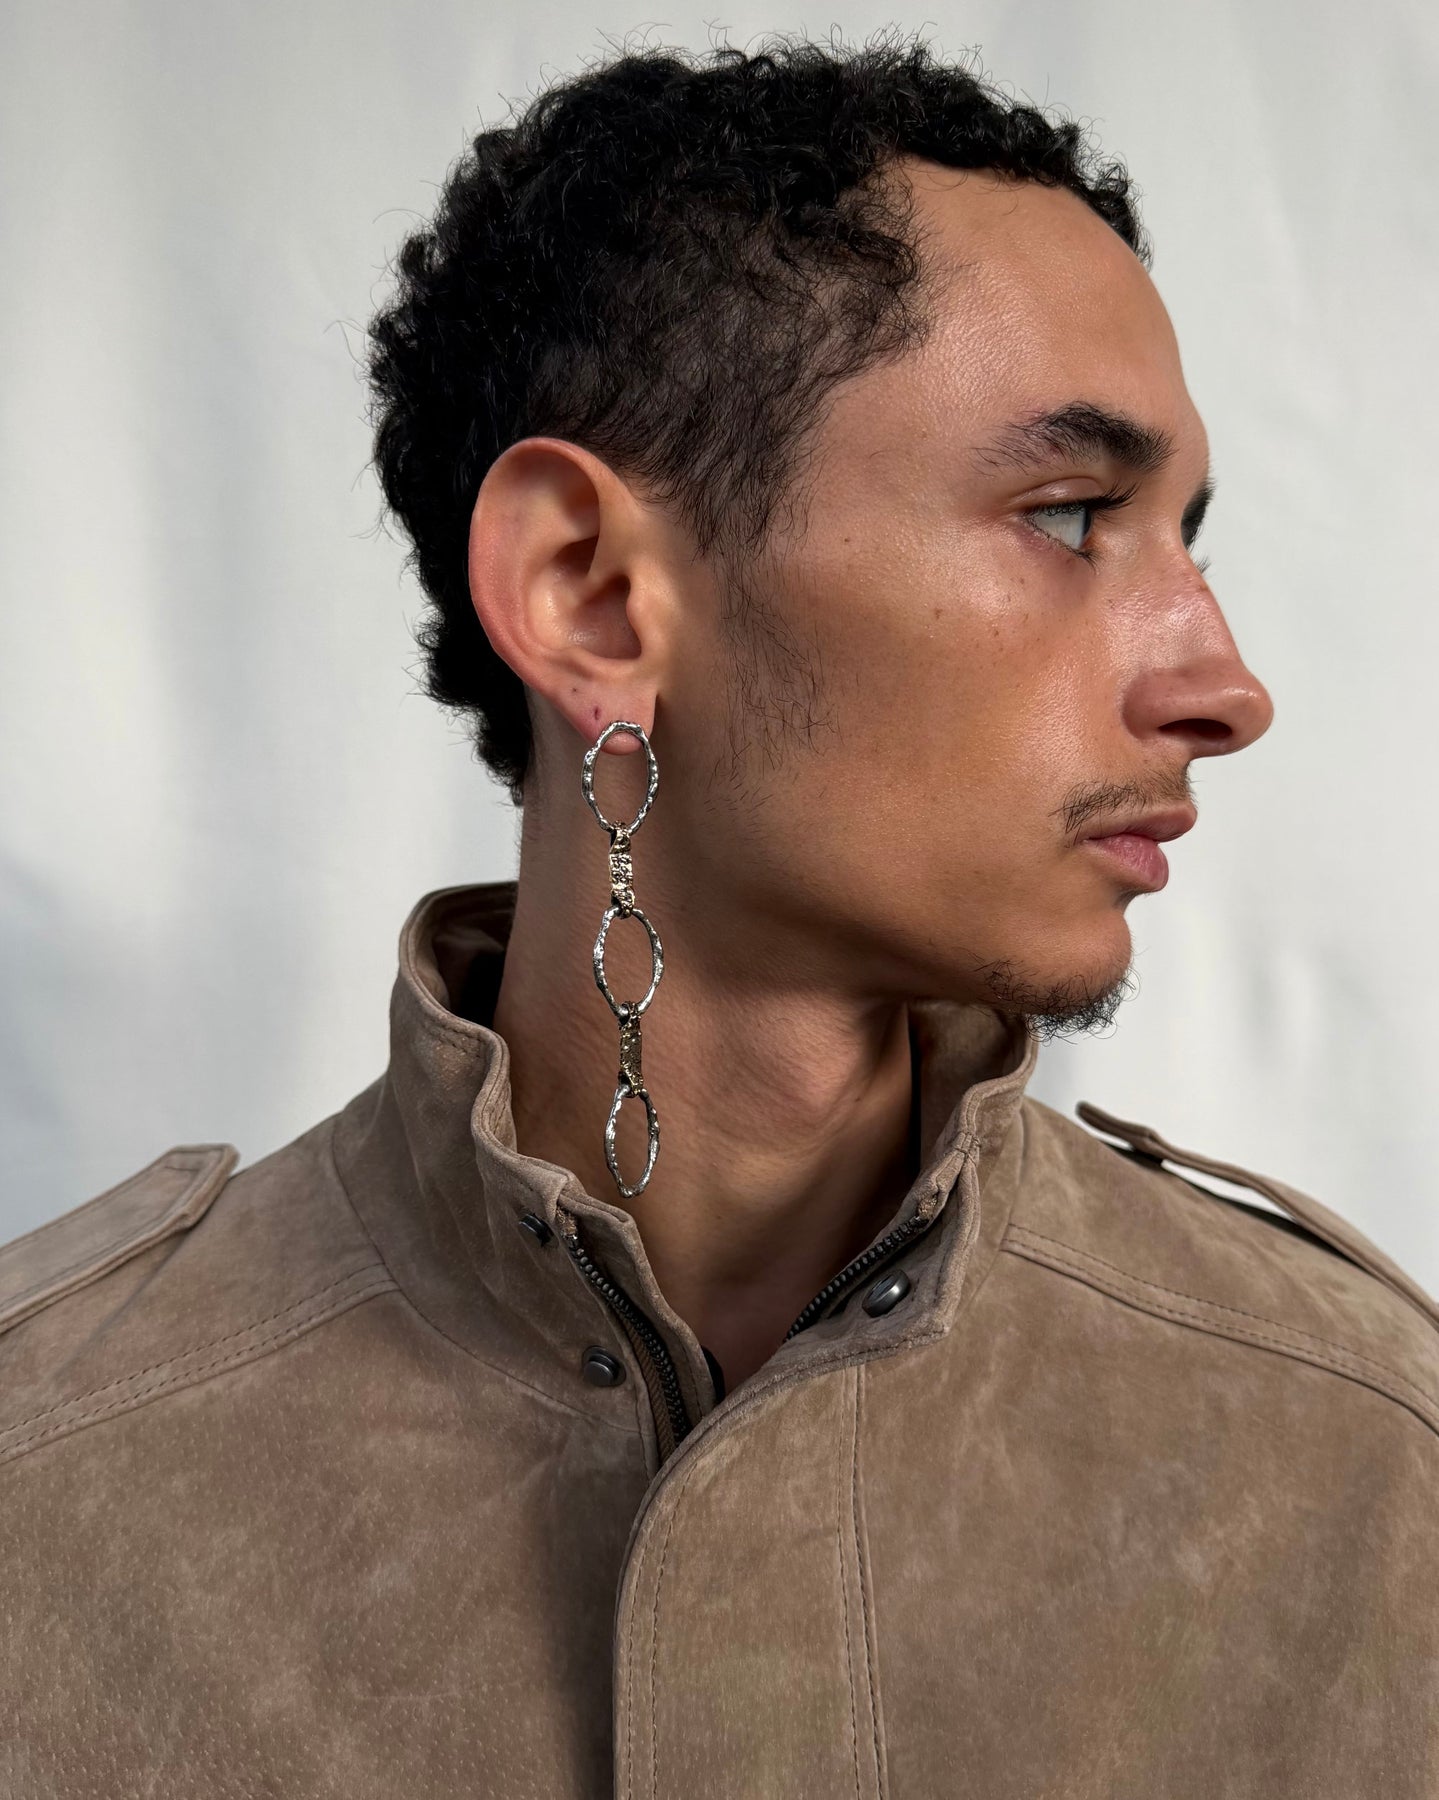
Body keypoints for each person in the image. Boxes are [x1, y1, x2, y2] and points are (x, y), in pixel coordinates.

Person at [2, 34, 1435, 1799]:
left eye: (1184, 537)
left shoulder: (1364, 1462)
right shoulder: (46, 1477)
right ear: (592, 597)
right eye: (1071, 518)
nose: (1223, 686)